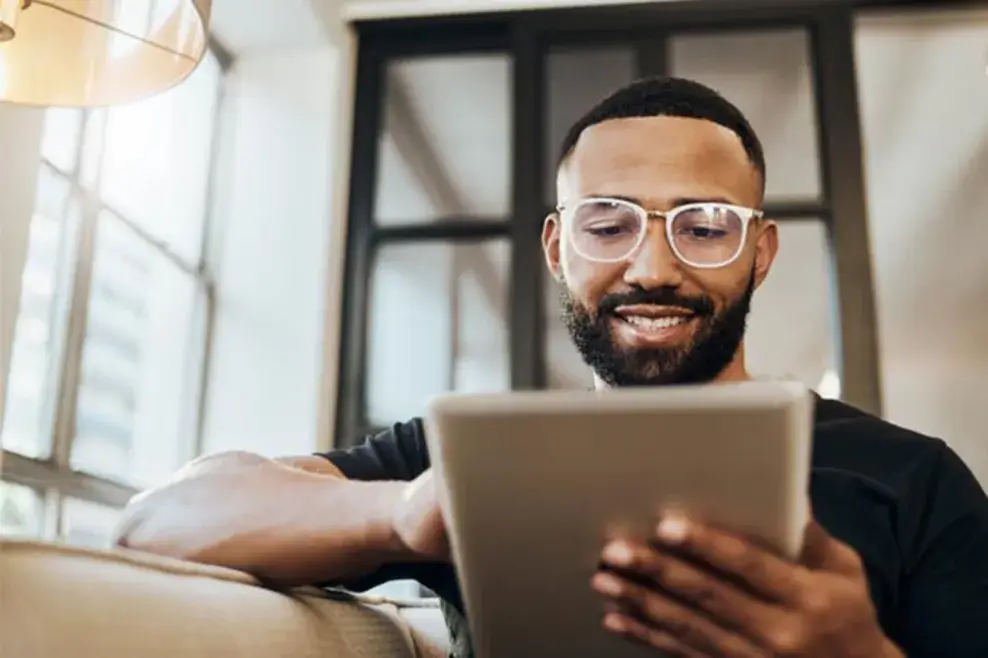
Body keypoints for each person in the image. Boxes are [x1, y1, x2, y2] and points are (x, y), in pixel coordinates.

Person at [116, 77, 988, 657]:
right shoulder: (469, 458)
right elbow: (159, 524)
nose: (652, 268)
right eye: (608, 225)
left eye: (705, 226)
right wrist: (411, 513)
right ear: (556, 247)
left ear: (759, 253)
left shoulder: (914, 479)